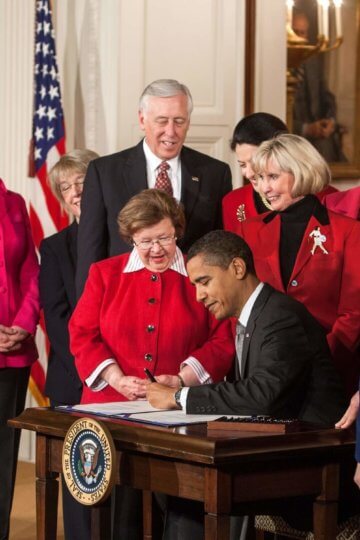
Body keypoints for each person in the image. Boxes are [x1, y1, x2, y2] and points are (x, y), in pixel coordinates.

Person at [147, 230, 346, 539]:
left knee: (190, 492)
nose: (199, 296)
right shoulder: (253, 317)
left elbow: (262, 395)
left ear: (237, 269)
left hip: (312, 466)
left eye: (204, 282)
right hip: (276, 453)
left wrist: (179, 397)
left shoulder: (279, 316)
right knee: (177, 486)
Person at [69, 189, 234, 538]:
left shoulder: (200, 275)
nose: (156, 249)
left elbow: (223, 338)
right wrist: (115, 378)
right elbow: (82, 333)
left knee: (184, 509)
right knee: (124, 514)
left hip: (181, 411)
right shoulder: (104, 274)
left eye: (164, 237)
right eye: (145, 241)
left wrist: (182, 378)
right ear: (131, 238)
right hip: (111, 412)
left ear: (178, 231)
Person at [76, 78, 232, 295]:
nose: (171, 131)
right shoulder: (104, 172)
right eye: (162, 121)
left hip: (191, 302)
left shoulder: (215, 174)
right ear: (142, 120)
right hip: (124, 299)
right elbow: (89, 253)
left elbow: (221, 249)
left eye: (179, 121)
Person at [236, 133, 360, 397]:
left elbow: (353, 313)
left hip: (328, 376)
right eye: (259, 179)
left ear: (300, 170)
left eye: (273, 177)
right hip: (264, 377)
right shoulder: (250, 230)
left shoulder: (348, 231)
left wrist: (318, 360)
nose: (263, 188)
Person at [39, 149, 98, 540]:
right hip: (73, 378)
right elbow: (56, 316)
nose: (75, 191)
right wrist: (93, 364)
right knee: (81, 474)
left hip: (123, 379)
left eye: (82, 181)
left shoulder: (124, 239)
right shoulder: (55, 246)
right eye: (66, 187)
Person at [0, 179, 40, 540]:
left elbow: (31, 270)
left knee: (3, 456)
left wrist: (24, 325)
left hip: (13, 351)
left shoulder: (13, 203)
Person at [222, 112, 336, 232]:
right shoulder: (233, 202)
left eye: (255, 162)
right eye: (242, 165)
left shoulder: (330, 198)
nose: (249, 173)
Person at [292, 10, 346, 162]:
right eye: (295, 32)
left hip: (319, 138)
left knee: (329, 148)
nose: (299, 38)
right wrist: (305, 128)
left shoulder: (313, 62)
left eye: (303, 33)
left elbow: (327, 97)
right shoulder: (277, 65)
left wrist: (330, 121)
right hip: (292, 138)